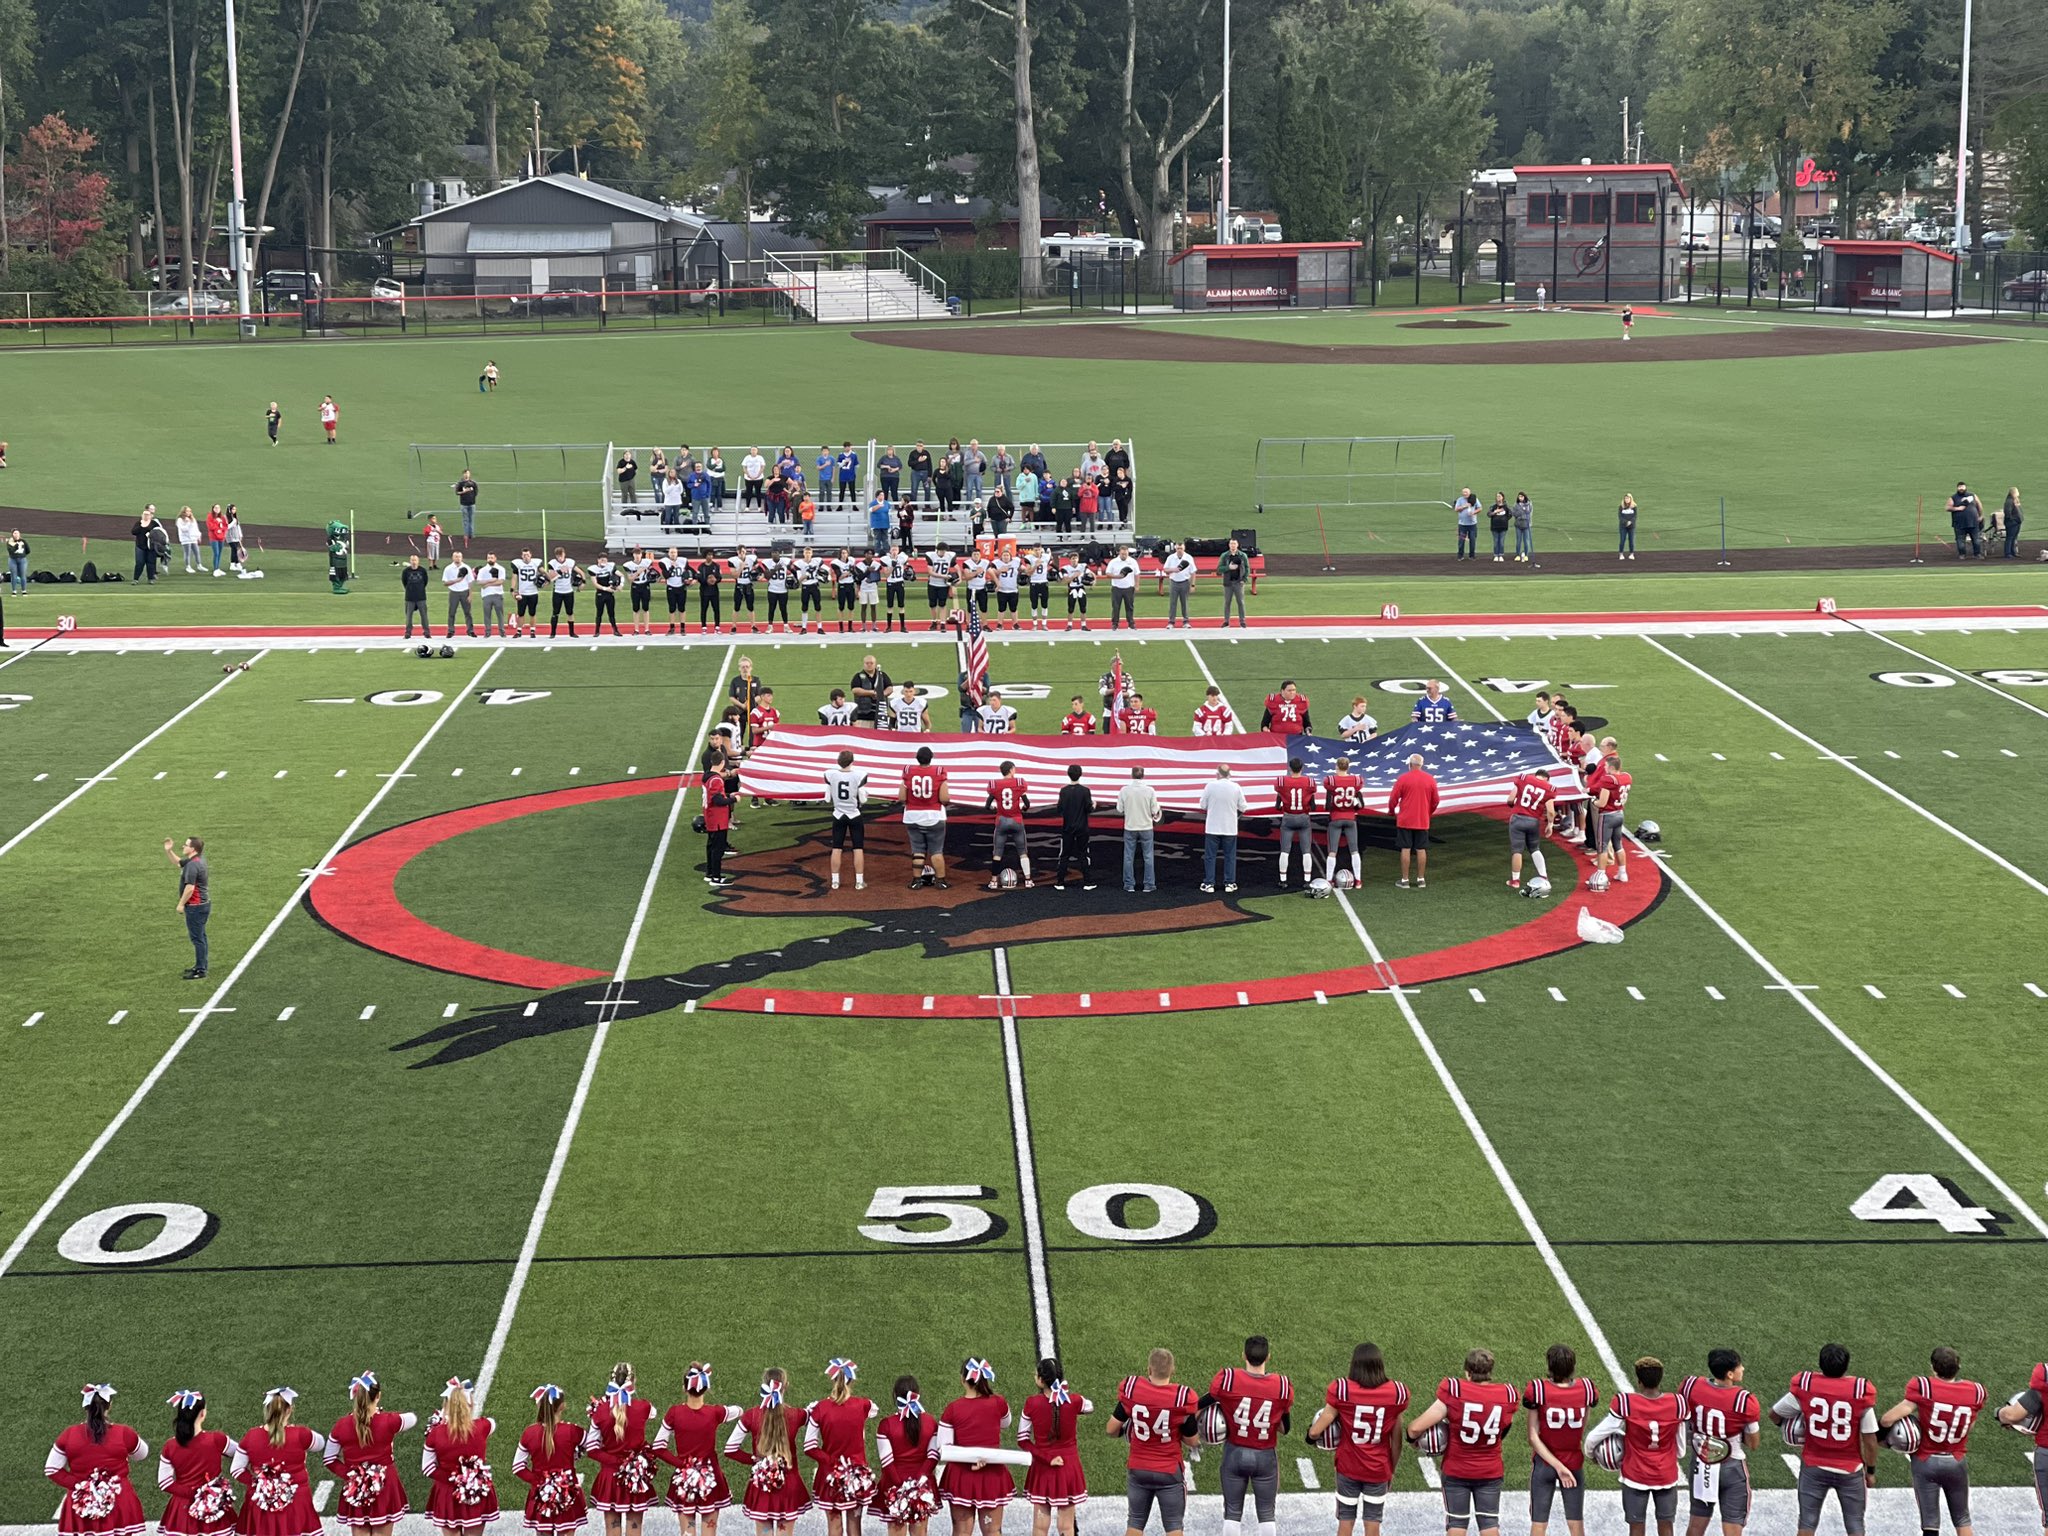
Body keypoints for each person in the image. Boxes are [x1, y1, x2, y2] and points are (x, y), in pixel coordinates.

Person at [1405, 1350, 1518, 1536]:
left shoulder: (1455, 1390)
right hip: (1490, 1470)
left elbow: (1415, 1428)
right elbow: (1505, 1428)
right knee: (1489, 1524)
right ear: (1490, 1372)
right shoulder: (1507, 1394)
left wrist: (1412, 1439)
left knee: (1457, 1524)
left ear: (1467, 1372)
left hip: (1457, 1469)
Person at [1769, 1343, 1877, 1536]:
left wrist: (1792, 1427)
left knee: (1807, 1523)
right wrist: (1870, 1471)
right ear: (1846, 1366)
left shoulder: (1807, 1385)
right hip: (1850, 1469)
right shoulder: (1859, 1390)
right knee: (1855, 1525)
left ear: (1820, 1364)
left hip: (1813, 1465)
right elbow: (1869, 1439)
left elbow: (1774, 1414)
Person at [1874, 1348, 1981, 1536]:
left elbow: (1887, 1419)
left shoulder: (1924, 1386)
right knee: (1962, 1519)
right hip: (1956, 1461)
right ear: (1959, 1367)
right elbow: (1969, 1427)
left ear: (1933, 1367)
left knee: (1930, 1523)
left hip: (1926, 1460)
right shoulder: (1975, 1391)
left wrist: (1880, 1438)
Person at [1307, 1344, 1406, 1536]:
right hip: (1378, 1468)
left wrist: (1311, 1436)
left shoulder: (1343, 1390)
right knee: (1373, 1524)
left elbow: (1315, 1431)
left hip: (1348, 1467)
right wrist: (1390, 1470)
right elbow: (1397, 1440)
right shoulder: (1396, 1393)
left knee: (1345, 1522)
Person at [1205, 1337, 1292, 1536]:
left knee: (1232, 1513)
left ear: (1243, 1355)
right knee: (1267, 1514)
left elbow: (1202, 1405)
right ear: (1268, 1357)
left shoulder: (1228, 1379)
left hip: (1234, 1452)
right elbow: (1285, 1428)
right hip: (1265, 1455)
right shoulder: (1281, 1385)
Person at [1107, 1349, 1197, 1536]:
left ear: (1149, 1369)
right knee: (1174, 1526)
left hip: (1139, 1467)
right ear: (1173, 1370)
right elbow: (1192, 1440)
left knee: (1135, 1523)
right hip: (1169, 1470)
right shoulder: (1181, 1398)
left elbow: (1111, 1429)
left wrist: (1124, 1432)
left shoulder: (1132, 1390)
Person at [47, 1383, 149, 1536]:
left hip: (82, 1503)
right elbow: (142, 1454)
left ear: (85, 1407)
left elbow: (51, 1469)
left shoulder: (69, 1435)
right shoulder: (124, 1433)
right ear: (110, 1405)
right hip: (118, 1501)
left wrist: (81, 1486)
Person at [1680, 1349, 1760, 1536]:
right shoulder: (1743, 1400)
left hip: (1701, 1464)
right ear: (1729, 1374)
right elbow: (1753, 1443)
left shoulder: (1691, 1385)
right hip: (1730, 1466)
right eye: (1739, 1365)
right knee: (1732, 1527)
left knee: (1696, 1524)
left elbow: (1684, 1418)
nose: (1743, 1368)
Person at [325, 1372, 415, 1535]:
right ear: (378, 1396)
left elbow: (329, 1459)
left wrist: (353, 1476)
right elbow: (412, 1418)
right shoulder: (389, 1421)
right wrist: (381, 1414)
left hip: (356, 1486)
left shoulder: (341, 1426)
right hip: (385, 1485)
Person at [1602, 1359, 1683, 1536]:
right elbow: (1681, 1448)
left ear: (1639, 1381)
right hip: (1666, 1474)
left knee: (1636, 1528)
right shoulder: (1677, 1403)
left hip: (1635, 1474)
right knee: (1667, 1527)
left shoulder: (1626, 1403)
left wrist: (1591, 1452)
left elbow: (1599, 1433)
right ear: (1660, 1380)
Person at [233, 1386, 325, 1536]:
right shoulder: (301, 1434)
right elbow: (320, 1443)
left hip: (261, 1503)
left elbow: (236, 1470)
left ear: (267, 1410)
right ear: (289, 1410)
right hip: (296, 1502)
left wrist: (260, 1484)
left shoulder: (251, 1436)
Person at [1524, 1347, 1597, 1536]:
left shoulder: (1538, 1390)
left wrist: (1557, 1466)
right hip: (1573, 1462)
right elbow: (1583, 1424)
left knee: (1539, 1524)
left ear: (1550, 1366)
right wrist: (1564, 1466)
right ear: (1573, 1367)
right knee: (1576, 1525)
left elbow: (1533, 1436)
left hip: (1545, 1464)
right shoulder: (1587, 1388)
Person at [806, 1360, 876, 1536]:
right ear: (851, 1381)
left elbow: (809, 1446)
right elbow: (874, 1409)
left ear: (832, 1379)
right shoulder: (864, 1405)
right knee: (855, 1528)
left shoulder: (820, 1409)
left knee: (834, 1528)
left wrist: (830, 1461)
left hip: (830, 1477)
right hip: (858, 1476)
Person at [1019, 1360, 1090, 1536]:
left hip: (1043, 1470)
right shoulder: (1074, 1401)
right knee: (1066, 1527)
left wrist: (1046, 1458)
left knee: (1040, 1527)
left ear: (1041, 1380)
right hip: (1068, 1469)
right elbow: (1089, 1407)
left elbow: (1022, 1439)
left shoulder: (1032, 1403)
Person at [589, 1365, 659, 1536]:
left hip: (610, 1477)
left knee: (612, 1529)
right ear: (633, 1383)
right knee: (635, 1528)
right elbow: (654, 1413)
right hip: (635, 1477)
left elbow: (591, 1449)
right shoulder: (644, 1407)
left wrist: (617, 1462)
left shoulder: (599, 1412)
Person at [422, 1380, 497, 1536]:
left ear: (446, 1407)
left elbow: (427, 1468)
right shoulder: (482, 1426)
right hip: (476, 1490)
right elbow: (492, 1422)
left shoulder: (436, 1434)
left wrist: (454, 1479)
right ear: (469, 1405)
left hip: (447, 1492)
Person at [515, 1385, 590, 1536]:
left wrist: (539, 1481)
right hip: (567, 1493)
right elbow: (593, 1444)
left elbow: (518, 1467)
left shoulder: (529, 1433)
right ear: (562, 1406)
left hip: (541, 1494)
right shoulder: (572, 1431)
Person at [161, 1390, 236, 1536]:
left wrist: (192, 1492)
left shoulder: (170, 1446)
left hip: (182, 1509)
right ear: (202, 1414)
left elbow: (165, 1483)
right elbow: (241, 1454)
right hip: (214, 1507)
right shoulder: (217, 1439)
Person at [1387, 755, 1439, 889]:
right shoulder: (1430, 779)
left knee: (1405, 848)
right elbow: (1436, 801)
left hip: (1405, 819)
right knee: (1421, 848)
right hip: (1422, 819)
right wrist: (1428, 812)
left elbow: (1393, 798)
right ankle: (1421, 879)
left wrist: (1391, 811)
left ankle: (1405, 880)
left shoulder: (1403, 778)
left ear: (1410, 764)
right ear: (1422, 764)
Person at [901, 746, 949, 889]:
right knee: (936, 850)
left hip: (912, 815)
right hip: (934, 815)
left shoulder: (908, 772)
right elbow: (944, 798)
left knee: (918, 850)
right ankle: (941, 881)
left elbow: (902, 797)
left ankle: (916, 881)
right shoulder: (939, 772)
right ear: (931, 758)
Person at [1198, 765, 1249, 894]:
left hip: (1213, 827)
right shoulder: (1236, 787)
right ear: (1229, 774)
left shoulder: (1210, 786)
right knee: (1230, 856)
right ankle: (1229, 883)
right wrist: (1234, 814)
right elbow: (1243, 807)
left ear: (1218, 774)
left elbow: (1203, 805)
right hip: (1230, 827)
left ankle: (1209, 883)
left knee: (1210, 856)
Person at [824, 750, 869, 892]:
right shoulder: (858, 775)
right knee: (858, 848)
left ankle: (835, 881)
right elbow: (863, 799)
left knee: (836, 848)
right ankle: (859, 882)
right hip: (854, 815)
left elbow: (826, 798)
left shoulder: (831, 775)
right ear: (852, 761)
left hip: (838, 814)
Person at [983, 761, 1032, 889]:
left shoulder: (995, 785)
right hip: (1016, 820)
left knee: (997, 852)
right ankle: (1028, 880)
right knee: (1022, 852)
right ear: (1011, 770)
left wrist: (994, 808)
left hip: (1001, 820)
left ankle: (994, 881)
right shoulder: (1019, 783)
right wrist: (1024, 808)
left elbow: (987, 806)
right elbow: (1027, 804)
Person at [1504, 768, 1554, 892]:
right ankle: (1543, 876)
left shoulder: (1524, 779)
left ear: (1536, 775)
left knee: (1517, 850)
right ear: (1546, 779)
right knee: (1535, 849)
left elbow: (1510, 799)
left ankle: (1515, 880)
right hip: (1533, 820)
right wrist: (1550, 824)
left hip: (1518, 818)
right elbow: (1551, 811)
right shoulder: (1549, 788)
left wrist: (1513, 806)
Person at [1051, 766, 1097, 892]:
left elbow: (1059, 809)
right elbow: (1089, 809)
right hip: (1082, 827)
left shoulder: (1063, 791)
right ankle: (1087, 882)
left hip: (1067, 827)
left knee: (1064, 855)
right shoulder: (1085, 791)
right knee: (1083, 854)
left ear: (1068, 774)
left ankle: (1060, 882)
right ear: (1080, 774)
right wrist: (1094, 805)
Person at [1274, 757, 1316, 888]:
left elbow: (1277, 805)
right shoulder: (1309, 782)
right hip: (1303, 817)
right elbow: (1313, 806)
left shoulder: (1282, 782)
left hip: (1288, 817)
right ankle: (1307, 879)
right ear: (1302, 768)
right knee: (1306, 850)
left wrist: (1283, 806)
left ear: (1289, 768)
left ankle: (1283, 879)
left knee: (1285, 850)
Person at [1324, 756, 1365, 885]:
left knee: (1332, 851)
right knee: (1354, 850)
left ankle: (1329, 880)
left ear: (1337, 766)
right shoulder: (1356, 780)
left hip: (1336, 818)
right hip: (1350, 818)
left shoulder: (1331, 781)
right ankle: (1358, 880)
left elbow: (1328, 805)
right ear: (1348, 767)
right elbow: (1361, 805)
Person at [1593, 753, 1631, 885]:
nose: (1604, 767)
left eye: (1605, 765)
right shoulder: (1626, 777)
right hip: (1619, 813)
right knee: (1618, 845)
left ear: (1610, 766)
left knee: (1602, 846)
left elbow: (1602, 803)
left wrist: (1594, 801)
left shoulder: (1608, 779)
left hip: (1607, 815)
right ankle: (1623, 873)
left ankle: (1601, 875)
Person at [1216, 539, 1251, 628]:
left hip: (1238, 582)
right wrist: (1228, 567)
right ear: (1229, 545)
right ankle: (1226, 621)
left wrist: (1244, 579)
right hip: (1228, 582)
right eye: (1231, 544)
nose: (1233, 546)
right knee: (1227, 602)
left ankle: (1242, 621)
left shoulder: (1243, 556)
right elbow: (1219, 569)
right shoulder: (1224, 556)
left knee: (1240, 602)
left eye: (1234, 544)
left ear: (1237, 545)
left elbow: (1247, 568)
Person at [547, 548, 581, 638]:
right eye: (558, 556)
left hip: (568, 591)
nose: (560, 558)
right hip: (558, 591)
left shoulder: (570, 562)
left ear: (564, 554)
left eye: (561, 556)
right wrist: (559, 571)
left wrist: (583, 581)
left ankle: (572, 632)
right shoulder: (552, 563)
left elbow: (580, 572)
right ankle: (553, 633)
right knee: (555, 612)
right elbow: (550, 577)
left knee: (570, 612)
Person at [850, 656, 892, 727]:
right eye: (867, 663)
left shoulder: (882, 675)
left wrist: (881, 694)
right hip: (862, 716)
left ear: (875, 664)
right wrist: (871, 693)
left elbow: (890, 688)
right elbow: (855, 690)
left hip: (880, 716)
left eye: (871, 663)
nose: (869, 665)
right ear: (864, 664)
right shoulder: (858, 676)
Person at [1161, 543, 1196, 627]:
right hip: (1174, 582)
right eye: (1178, 548)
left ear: (1184, 549)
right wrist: (1174, 569)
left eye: (1181, 548)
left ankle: (1186, 621)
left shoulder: (1189, 558)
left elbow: (1193, 572)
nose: (1179, 550)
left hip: (1185, 581)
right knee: (1173, 602)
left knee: (1184, 602)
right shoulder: (1171, 557)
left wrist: (1193, 585)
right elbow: (1165, 569)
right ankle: (1171, 622)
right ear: (1175, 549)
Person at [444, 551, 478, 637]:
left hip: (465, 592)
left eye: (459, 557)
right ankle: (450, 631)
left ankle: (470, 630)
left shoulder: (466, 567)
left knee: (467, 612)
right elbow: (445, 583)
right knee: (451, 612)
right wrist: (456, 580)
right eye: (456, 557)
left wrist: (470, 594)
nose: (457, 558)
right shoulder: (448, 568)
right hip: (453, 592)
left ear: (462, 558)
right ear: (452, 557)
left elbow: (470, 582)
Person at [1106, 546, 1140, 629]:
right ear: (1119, 553)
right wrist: (1117, 576)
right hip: (1117, 587)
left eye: (1125, 554)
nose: (1124, 555)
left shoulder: (1133, 561)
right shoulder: (1113, 562)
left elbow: (1137, 573)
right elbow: (1107, 574)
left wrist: (1137, 585)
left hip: (1129, 587)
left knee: (1129, 606)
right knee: (1116, 607)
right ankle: (1115, 624)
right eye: (1122, 554)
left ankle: (1131, 623)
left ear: (1128, 553)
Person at [511, 550, 543, 638]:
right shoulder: (518, 564)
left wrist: (547, 580)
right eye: (524, 555)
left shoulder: (535, 563)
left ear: (531, 555)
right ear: (521, 556)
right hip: (522, 593)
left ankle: (532, 631)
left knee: (532, 613)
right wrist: (512, 589)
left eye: (527, 555)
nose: (526, 556)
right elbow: (514, 577)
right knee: (520, 613)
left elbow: (544, 573)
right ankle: (519, 631)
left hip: (533, 592)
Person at [399, 555, 431, 638]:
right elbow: (404, 582)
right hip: (410, 597)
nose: (414, 562)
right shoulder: (406, 571)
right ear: (410, 561)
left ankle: (426, 631)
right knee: (409, 616)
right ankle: (408, 632)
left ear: (418, 561)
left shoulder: (422, 570)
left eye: (415, 560)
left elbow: (425, 581)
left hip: (421, 597)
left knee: (424, 615)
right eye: (412, 560)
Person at [1947, 483, 1983, 559]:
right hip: (1959, 523)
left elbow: (1979, 505)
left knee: (1976, 539)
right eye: (1960, 487)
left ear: (1965, 487)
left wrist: (1980, 515)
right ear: (1957, 488)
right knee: (1960, 540)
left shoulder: (1972, 495)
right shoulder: (1953, 497)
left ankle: (1977, 554)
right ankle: (1962, 554)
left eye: (1962, 487)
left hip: (1973, 522)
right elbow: (1947, 508)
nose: (1961, 488)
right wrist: (1957, 508)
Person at [132, 505, 163, 584]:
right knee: (139, 563)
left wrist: (150, 533)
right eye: (144, 515)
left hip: (151, 547)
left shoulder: (154, 524)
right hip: (140, 546)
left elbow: (159, 533)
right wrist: (141, 526)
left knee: (151, 563)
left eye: (147, 515)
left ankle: (150, 579)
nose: (145, 516)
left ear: (151, 516)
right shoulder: (138, 523)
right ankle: (136, 579)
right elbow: (133, 532)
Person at [1062, 556, 1093, 631]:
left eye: (1076, 558)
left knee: (1083, 608)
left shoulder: (1082, 566)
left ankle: (1084, 625)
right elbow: (1066, 581)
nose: (1074, 560)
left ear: (1078, 559)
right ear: (1070, 560)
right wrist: (1074, 576)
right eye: (1073, 558)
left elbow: (1091, 573)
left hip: (1081, 588)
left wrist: (1094, 580)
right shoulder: (1066, 568)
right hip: (1072, 589)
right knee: (1071, 608)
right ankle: (1069, 625)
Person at [697, 554, 725, 634]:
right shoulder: (701, 566)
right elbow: (699, 577)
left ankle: (717, 626)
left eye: (711, 555)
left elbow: (720, 577)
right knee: (704, 609)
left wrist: (715, 580)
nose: (710, 556)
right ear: (705, 556)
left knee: (716, 609)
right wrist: (706, 581)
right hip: (704, 591)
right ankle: (704, 627)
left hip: (714, 591)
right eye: (708, 555)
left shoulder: (716, 566)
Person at [1454, 487, 1481, 560]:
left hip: (1472, 525)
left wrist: (1474, 512)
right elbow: (1456, 509)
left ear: (1469, 492)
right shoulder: (1460, 500)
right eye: (1463, 492)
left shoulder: (1474, 499)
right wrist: (1464, 506)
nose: (1464, 493)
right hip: (1462, 525)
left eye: (1466, 492)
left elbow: (1479, 508)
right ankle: (1460, 555)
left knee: (1472, 540)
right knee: (1461, 541)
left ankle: (1472, 555)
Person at [453, 473, 481, 540]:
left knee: (471, 519)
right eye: (465, 473)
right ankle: (466, 535)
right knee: (466, 520)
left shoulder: (473, 483)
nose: (466, 475)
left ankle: (471, 534)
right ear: (463, 474)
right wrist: (464, 492)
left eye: (468, 473)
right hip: (464, 504)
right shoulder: (460, 483)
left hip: (472, 504)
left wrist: (472, 497)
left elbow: (476, 492)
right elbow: (457, 492)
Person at [1487, 494, 1512, 562]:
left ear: (1503, 498)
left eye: (1500, 496)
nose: (1498, 498)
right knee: (1496, 541)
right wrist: (1495, 512)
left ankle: (1500, 555)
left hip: (1503, 527)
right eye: (1497, 496)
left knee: (1501, 542)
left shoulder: (1506, 507)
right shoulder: (1493, 507)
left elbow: (1510, 514)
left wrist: (1504, 520)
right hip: (1494, 527)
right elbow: (1489, 514)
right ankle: (1495, 555)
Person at [205, 504, 228, 575]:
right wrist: (217, 522)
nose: (217, 509)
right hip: (213, 538)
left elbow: (225, 526)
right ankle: (215, 569)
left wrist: (221, 530)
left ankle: (218, 568)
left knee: (220, 553)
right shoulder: (210, 516)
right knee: (216, 553)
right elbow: (210, 527)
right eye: (216, 507)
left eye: (218, 507)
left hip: (221, 537)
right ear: (213, 509)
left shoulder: (222, 517)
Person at [2002, 487, 2024, 559]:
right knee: (2010, 537)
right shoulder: (2009, 501)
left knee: (2014, 538)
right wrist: (2013, 519)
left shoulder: (2015, 500)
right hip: (2012, 523)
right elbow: (2007, 512)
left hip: (2017, 522)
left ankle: (2013, 552)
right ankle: (2008, 553)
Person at [1513, 492, 1535, 563]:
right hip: (1518, 525)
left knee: (1526, 541)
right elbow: (1515, 514)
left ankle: (1526, 555)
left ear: (1524, 497)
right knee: (1518, 541)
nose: (1520, 498)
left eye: (1522, 496)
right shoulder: (1516, 505)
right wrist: (1521, 514)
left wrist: (1523, 514)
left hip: (1526, 525)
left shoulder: (1529, 504)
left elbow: (1529, 513)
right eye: (1519, 497)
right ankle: (1517, 555)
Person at [1617, 494, 1639, 560]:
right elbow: (1620, 517)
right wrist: (1626, 522)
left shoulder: (1634, 506)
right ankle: (1621, 554)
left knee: (1631, 540)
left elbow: (1635, 516)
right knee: (1622, 540)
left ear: (1630, 499)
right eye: (1625, 498)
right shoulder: (1621, 507)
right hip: (1623, 526)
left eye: (1628, 498)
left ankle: (1631, 554)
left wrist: (1630, 522)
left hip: (1631, 527)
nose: (1626, 500)